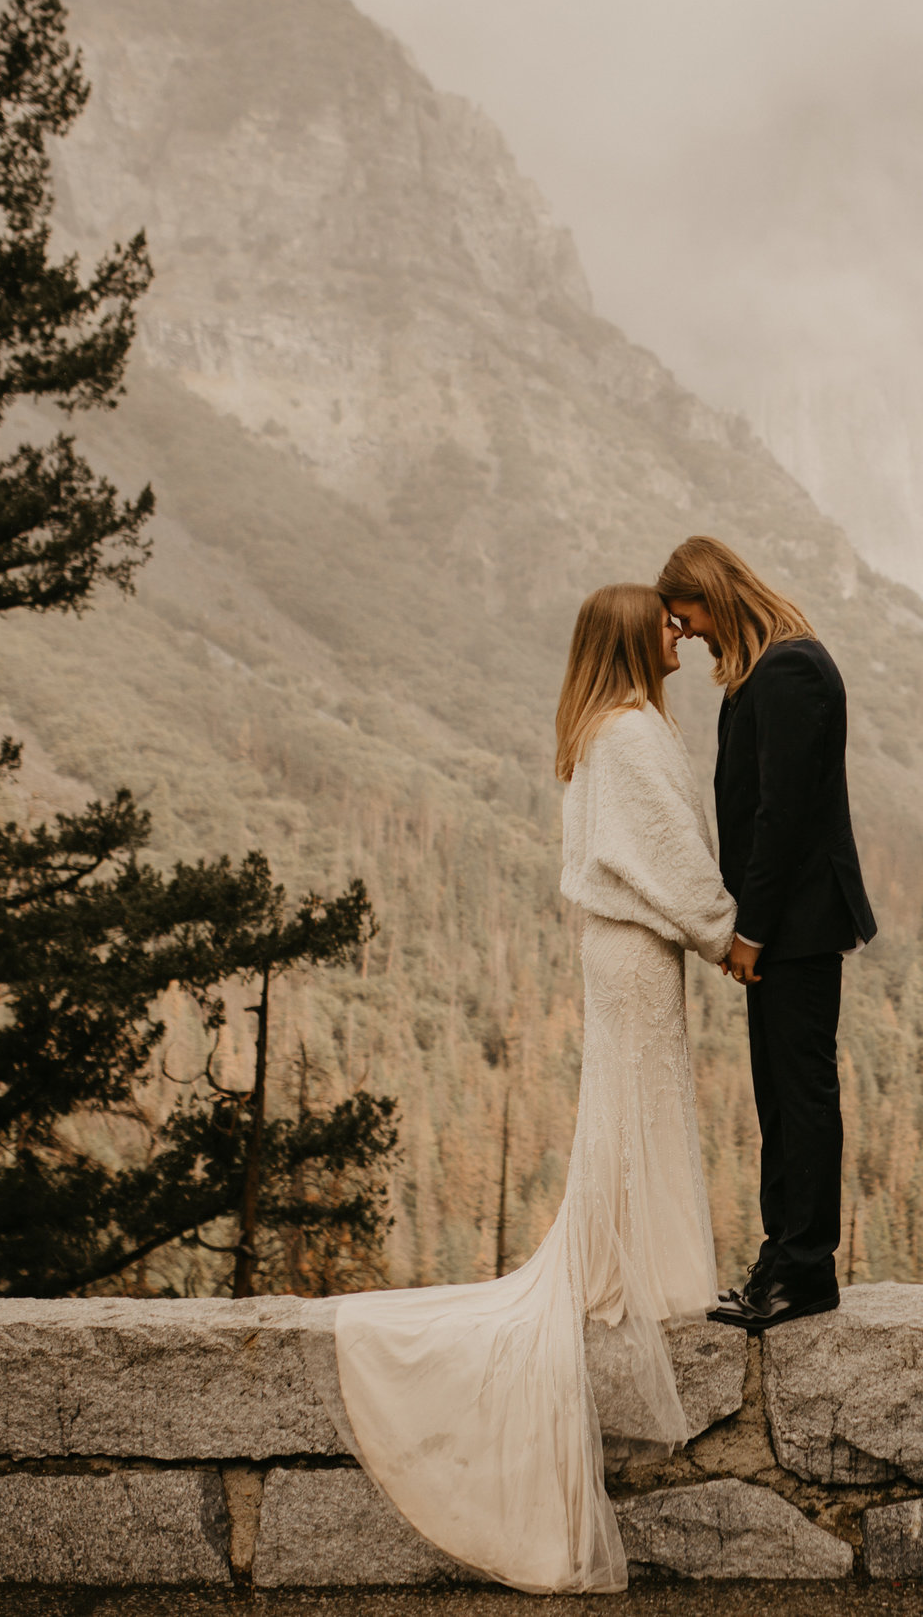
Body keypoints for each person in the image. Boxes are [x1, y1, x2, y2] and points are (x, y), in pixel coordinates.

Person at [329, 583, 736, 1594]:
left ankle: (628, 1260)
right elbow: (669, 857)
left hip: (620, 946)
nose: (680, 637)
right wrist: (730, 932)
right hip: (639, 947)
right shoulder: (632, 730)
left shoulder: (598, 725)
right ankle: (630, 1268)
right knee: (642, 1101)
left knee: (630, 1102)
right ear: (634, 640)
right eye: (667, 627)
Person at [657, 536, 876, 1332]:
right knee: (780, 1097)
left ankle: (807, 1269)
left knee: (803, 1094)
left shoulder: (788, 669)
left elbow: (781, 814)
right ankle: (782, 1254)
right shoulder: (765, 668)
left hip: (797, 922)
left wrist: (747, 930)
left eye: (686, 619)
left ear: (713, 595)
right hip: (782, 922)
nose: (687, 636)